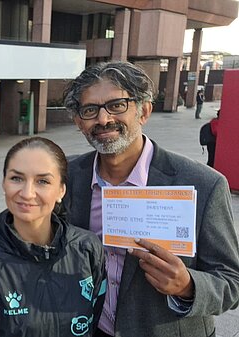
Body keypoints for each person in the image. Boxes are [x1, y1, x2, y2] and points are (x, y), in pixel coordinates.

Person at [63, 61, 239, 337]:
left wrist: (188, 285)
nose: (103, 119)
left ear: (144, 111)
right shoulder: (67, 176)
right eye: (90, 110)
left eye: (117, 105)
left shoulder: (203, 184)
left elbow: (231, 281)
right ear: (78, 122)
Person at [0, 136, 106, 337]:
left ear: (61, 190)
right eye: (16, 178)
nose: (27, 193)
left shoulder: (87, 249)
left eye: (43, 181)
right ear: (4, 183)